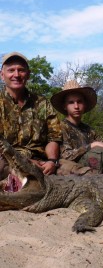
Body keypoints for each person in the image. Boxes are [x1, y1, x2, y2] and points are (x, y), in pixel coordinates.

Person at [0, 52, 62, 180]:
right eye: (11, 70)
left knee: (76, 172)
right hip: (7, 161)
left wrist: (52, 161)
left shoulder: (42, 103)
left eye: (21, 70)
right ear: (2, 75)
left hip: (42, 162)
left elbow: (54, 137)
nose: (16, 75)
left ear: (28, 75)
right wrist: (24, 162)